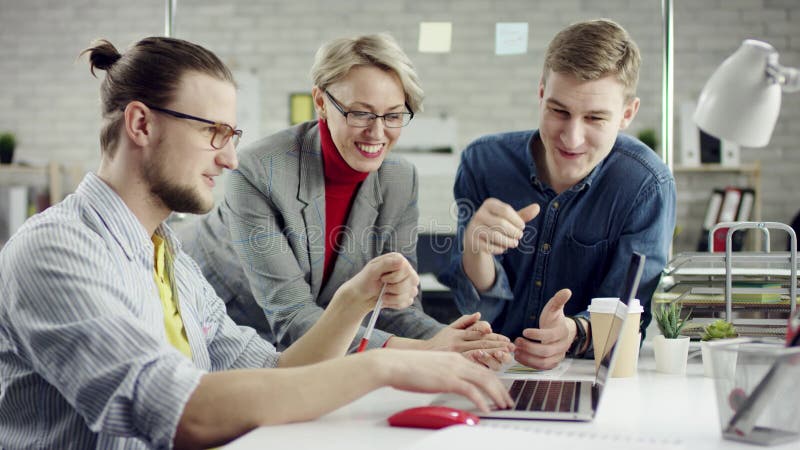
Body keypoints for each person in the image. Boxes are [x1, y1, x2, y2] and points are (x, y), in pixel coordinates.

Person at [0, 36, 513, 450]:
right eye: (214, 133)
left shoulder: (171, 261)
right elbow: (176, 411)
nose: (229, 159)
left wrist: (356, 299)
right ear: (140, 124)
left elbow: (279, 368)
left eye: (232, 136)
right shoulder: (56, 251)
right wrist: (386, 362)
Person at [179, 33, 513, 368]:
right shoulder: (258, 170)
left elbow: (395, 308)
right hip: (219, 336)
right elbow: (294, 319)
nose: (377, 133)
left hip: (316, 352)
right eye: (360, 113)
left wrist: (457, 340)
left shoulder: (399, 179)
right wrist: (428, 351)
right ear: (321, 102)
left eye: (393, 115)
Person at [440, 19, 676, 370]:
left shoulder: (646, 185)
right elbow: (478, 309)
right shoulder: (483, 163)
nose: (572, 138)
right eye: (558, 111)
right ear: (540, 93)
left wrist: (574, 332)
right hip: (490, 367)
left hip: (582, 372)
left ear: (627, 114)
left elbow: (627, 317)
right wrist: (476, 252)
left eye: (595, 118)